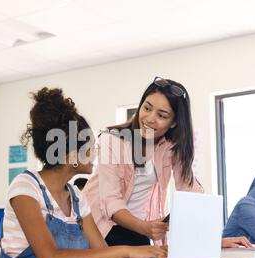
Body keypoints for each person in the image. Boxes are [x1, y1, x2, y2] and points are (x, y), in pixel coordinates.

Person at [0, 87, 167, 258]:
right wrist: (128, 250)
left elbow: (101, 253)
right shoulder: (26, 188)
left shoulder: (77, 198)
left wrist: (145, 253)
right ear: (72, 156)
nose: (96, 153)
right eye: (91, 148)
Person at [82, 76, 205, 247]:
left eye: (162, 115)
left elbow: (190, 191)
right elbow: (111, 203)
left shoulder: (170, 146)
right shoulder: (113, 140)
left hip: (136, 228)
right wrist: (145, 228)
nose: (150, 118)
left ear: (174, 123)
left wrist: (214, 239)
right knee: (141, 249)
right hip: (100, 224)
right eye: (147, 108)